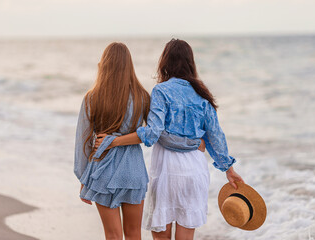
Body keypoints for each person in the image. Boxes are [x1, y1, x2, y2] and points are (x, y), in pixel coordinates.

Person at [96, 39, 244, 240]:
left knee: (161, 236)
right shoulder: (202, 94)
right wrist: (229, 169)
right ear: (191, 63)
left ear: (165, 62)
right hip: (195, 170)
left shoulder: (161, 91)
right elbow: (216, 136)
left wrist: (114, 140)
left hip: (168, 169)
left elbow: (153, 134)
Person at [74, 42, 203, 240]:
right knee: (134, 234)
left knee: (112, 235)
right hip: (133, 171)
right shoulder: (142, 97)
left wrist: (84, 178)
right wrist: (193, 142)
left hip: (102, 172)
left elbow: (82, 142)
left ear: (104, 64)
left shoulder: (91, 98)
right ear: (129, 66)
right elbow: (155, 133)